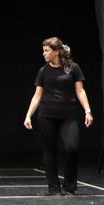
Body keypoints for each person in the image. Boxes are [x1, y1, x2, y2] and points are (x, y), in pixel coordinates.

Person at [23, 37, 93, 195]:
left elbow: (80, 91)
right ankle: (54, 187)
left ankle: (69, 185)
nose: (44, 54)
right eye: (43, 50)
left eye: (46, 51)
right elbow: (37, 96)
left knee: (72, 148)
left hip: (68, 115)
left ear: (56, 52)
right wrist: (28, 115)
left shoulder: (73, 68)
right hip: (46, 115)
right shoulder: (43, 71)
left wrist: (87, 110)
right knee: (49, 150)